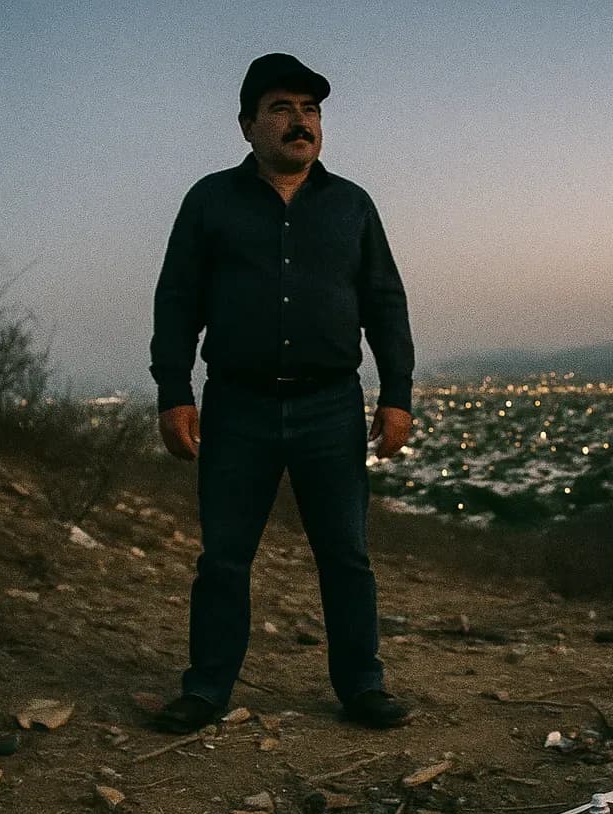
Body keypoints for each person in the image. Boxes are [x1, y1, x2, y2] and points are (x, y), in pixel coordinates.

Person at [147, 53, 414, 732]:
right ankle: (206, 687)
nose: (301, 122)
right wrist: (174, 391)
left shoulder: (352, 205)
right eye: (282, 108)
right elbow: (178, 300)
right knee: (224, 557)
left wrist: (397, 392)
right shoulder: (210, 200)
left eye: (311, 109)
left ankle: (362, 686)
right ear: (247, 126)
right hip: (238, 405)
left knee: (347, 555)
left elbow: (385, 302)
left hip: (330, 405)